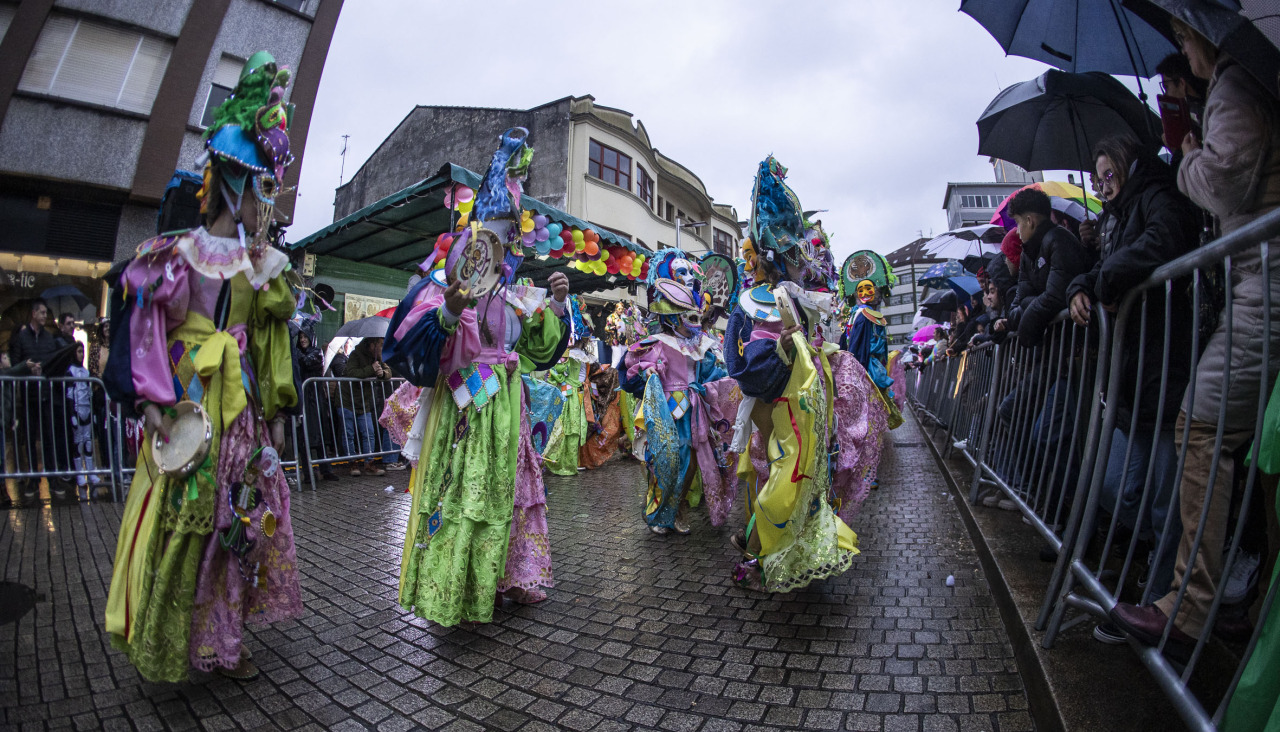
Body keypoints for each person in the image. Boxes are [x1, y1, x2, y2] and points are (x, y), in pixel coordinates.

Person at [104, 51, 303, 682]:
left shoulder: (259, 265)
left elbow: (268, 339)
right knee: (185, 522)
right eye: (259, 188)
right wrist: (153, 401)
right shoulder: (179, 253)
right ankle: (172, 642)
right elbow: (145, 327)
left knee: (237, 519)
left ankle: (224, 638)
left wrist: (276, 413)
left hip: (237, 408)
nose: (264, 204)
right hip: (192, 402)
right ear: (236, 185)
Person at [1109, 18, 1280, 662]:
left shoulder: (1235, 83)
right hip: (1255, 282)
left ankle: (1192, 602)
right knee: (1263, 446)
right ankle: (1249, 601)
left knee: (1203, 426)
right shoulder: (1245, 83)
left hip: (1266, 285)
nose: (1181, 51)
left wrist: (1185, 152)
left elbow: (1224, 183)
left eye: (1183, 41)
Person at [389, 128, 571, 624]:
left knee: (509, 492)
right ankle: (459, 586)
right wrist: (449, 313)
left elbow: (538, 348)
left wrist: (556, 302)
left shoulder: (516, 292)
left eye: (510, 232)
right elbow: (417, 346)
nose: (505, 241)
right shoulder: (453, 281)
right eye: (496, 229)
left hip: (507, 407)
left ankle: (508, 576)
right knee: (466, 493)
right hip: (467, 410)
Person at [1067, 137, 1200, 644]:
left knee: (1166, 504)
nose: (1103, 184)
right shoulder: (1113, 217)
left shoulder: (1159, 196)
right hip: (1134, 380)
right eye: (1097, 178)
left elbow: (1166, 240)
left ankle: (1158, 605)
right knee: (1113, 486)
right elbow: (1100, 269)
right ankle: (1153, 577)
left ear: (1128, 164)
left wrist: (1106, 279)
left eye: (1108, 173)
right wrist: (1084, 284)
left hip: (1167, 370)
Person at [724, 156, 859, 591]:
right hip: (768, 399)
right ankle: (760, 546)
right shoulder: (748, 303)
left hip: (805, 397)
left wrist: (814, 349)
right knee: (772, 469)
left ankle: (780, 546)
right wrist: (779, 351)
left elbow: (819, 331)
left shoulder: (797, 296)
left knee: (804, 467)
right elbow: (739, 362)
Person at [620, 249, 737, 535]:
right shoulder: (655, 344)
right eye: (679, 272)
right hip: (667, 411)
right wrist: (649, 376)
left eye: (689, 273)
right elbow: (629, 375)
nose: (687, 278)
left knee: (694, 462)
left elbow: (715, 374)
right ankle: (659, 509)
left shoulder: (704, 345)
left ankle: (681, 505)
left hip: (696, 410)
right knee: (665, 460)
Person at [1005, 188, 1095, 346]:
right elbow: (1015, 307)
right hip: (1055, 344)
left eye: (1018, 223)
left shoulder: (1059, 240)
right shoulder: (1027, 255)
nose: (1017, 232)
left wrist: (1028, 310)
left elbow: (1056, 296)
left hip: (1078, 341)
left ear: (1029, 221)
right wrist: (1033, 304)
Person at [9, 299, 75, 504]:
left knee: (49, 437)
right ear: (33, 314)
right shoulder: (21, 337)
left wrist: (42, 370)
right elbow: (15, 362)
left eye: (46, 313)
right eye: (42, 312)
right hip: (29, 397)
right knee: (29, 439)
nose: (45, 316)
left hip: (45, 395)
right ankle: (33, 480)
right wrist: (26, 367)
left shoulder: (48, 338)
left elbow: (52, 363)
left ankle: (53, 479)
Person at [339, 337, 390, 477]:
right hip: (347, 400)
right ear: (372, 345)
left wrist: (382, 373)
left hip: (364, 401)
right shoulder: (356, 355)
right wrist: (371, 369)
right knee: (349, 433)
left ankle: (369, 463)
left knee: (369, 432)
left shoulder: (378, 357)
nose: (382, 347)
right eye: (380, 344)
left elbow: (388, 371)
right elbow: (352, 372)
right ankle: (352, 463)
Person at [296, 331, 338, 482]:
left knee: (320, 435)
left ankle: (326, 469)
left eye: (305, 337)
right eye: (300, 337)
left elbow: (308, 362)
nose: (302, 340)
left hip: (315, 399)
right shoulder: (298, 353)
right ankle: (308, 473)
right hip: (304, 400)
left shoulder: (316, 352)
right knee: (303, 437)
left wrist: (295, 353)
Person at [67, 342, 101, 500]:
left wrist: (93, 414)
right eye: (79, 352)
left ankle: (91, 471)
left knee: (88, 443)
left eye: (82, 352)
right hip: (77, 411)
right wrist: (72, 414)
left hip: (87, 411)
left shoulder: (86, 371)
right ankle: (80, 474)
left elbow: (89, 394)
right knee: (78, 443)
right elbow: (69, 395)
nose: (81, 354)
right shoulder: (70, 372)